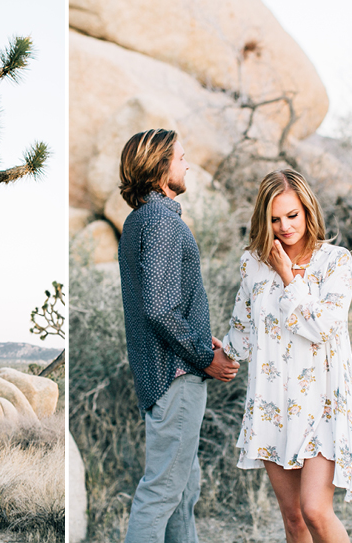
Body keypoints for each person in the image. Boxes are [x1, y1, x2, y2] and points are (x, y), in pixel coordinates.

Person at [222, 169, 352, 543]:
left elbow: (322, 327)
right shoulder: (251, 263)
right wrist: (214, 354)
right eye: (274, 219)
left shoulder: (336, 262)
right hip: (273, 402)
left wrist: (290, 277)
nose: (285, 226)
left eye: (292, 215)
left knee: (316, 512)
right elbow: (243, 328)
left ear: (308, 211)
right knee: (293, 521)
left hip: (323, 401)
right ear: (263, 220)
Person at [117, 128, 240, 543]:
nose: (187, 164)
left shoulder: (140, 222)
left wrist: (205, 342)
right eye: (181, 157)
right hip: (177, 376)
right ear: (159, 167)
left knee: (183, 493)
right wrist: (204, 356)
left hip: (165, 375)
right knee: (162, 494)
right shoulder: (161, 224)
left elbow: (162, 301)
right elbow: (159, 307)